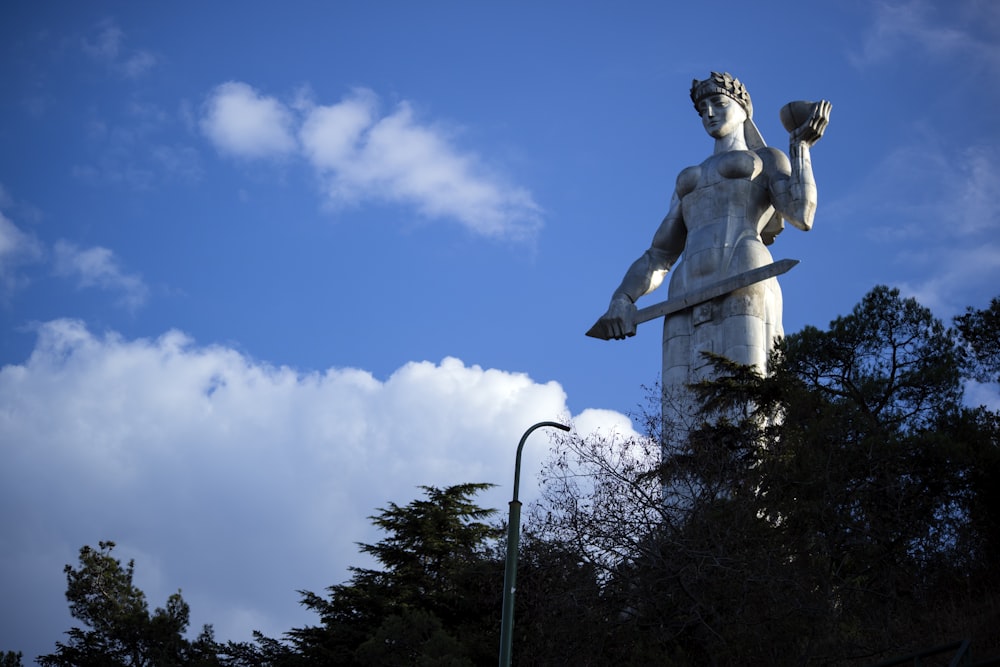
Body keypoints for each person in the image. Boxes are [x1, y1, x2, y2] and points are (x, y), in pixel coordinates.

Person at [593, 72, 830, 397]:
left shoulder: (766, 159)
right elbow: (659, 255)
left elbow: (801, 213)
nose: (709, 113)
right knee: (681, 408)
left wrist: (800, 146)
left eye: (718, 103)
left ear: (743, 108)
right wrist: (623, 298)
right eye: (702, 107)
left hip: (744, 269)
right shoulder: (688, 178)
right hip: (684, 288)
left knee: (748, 394)